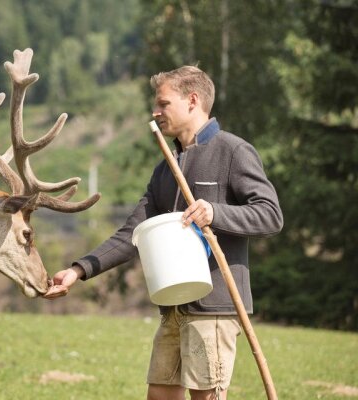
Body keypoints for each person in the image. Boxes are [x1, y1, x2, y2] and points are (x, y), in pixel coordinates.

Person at [44, 65, 283, 400]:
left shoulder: (233, 151)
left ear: (193, 101)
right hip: (173, 304)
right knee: (159, 394)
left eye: (163, 103)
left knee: (206, 397)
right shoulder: (165, 167)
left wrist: (216, 212)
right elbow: (132, 233)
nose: (155, 111)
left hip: (214, 307)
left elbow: (271, 215)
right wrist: (77, 270)